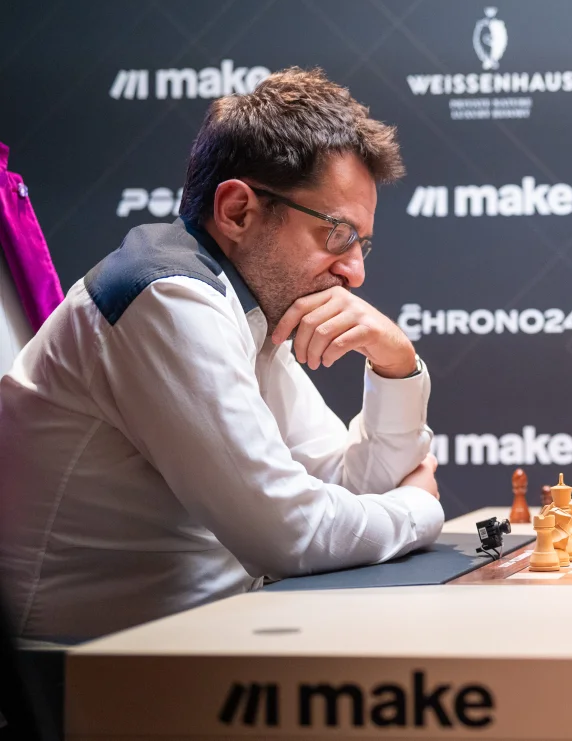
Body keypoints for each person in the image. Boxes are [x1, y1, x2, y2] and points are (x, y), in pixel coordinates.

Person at [0, 68, 444, 641]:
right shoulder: (166, 295)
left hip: (193, 651)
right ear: (237, 210)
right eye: (338, 234)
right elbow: (289, 535)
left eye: (363, 244)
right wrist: (419, 511)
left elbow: (351, 485)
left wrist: (397, 365)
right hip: (80, 682)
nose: (356, 271)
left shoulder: (245, 304)